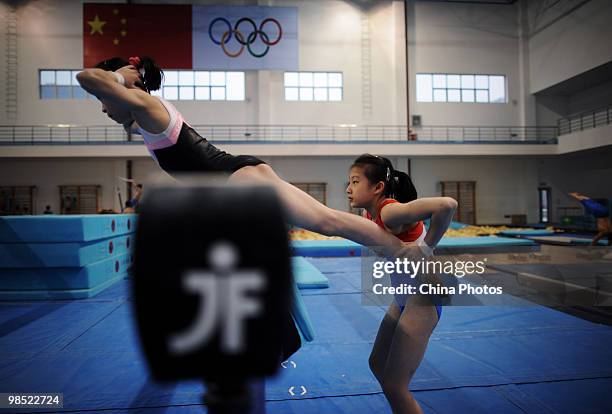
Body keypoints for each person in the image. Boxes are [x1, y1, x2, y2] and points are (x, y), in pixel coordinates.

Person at [76, 56, 427, 260]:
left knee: (328, 223)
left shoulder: (149, 107)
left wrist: (122, 74)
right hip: (238, 178)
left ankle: (409, 250)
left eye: (104, 101)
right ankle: (403, 248)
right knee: (325, 221)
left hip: (238, 181)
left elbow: (86, 77)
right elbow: (121, 111)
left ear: (124, 87)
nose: (103, 109)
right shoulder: (146, 117)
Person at [347, 154, 457, 414]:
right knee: (377, 364)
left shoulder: (389, 211)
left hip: (422, 299)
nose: (348, 188)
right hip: (404, 297)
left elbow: (447, 204)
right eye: (348, 182)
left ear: (377, 188)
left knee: (395, 386)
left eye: (354, 181)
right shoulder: (371, 212)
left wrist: (426, 247)